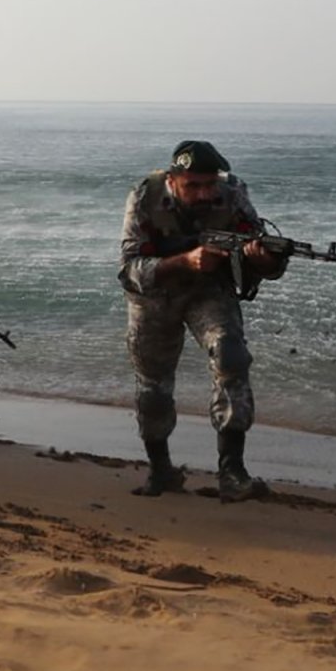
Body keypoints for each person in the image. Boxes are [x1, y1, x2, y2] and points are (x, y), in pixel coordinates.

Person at [117, 141, 287, 502]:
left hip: (208, 290)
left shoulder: (233, 193)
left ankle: (232, 471)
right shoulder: (145, 198)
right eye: (193, 185)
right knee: (153, 384)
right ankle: (161, 469)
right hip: (154, 296)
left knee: (231, 357)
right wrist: (184, 261)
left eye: (209, 184)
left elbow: (260, 255)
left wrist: (264, 259)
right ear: (173, 180)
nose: (204, 193)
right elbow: (130, 270)